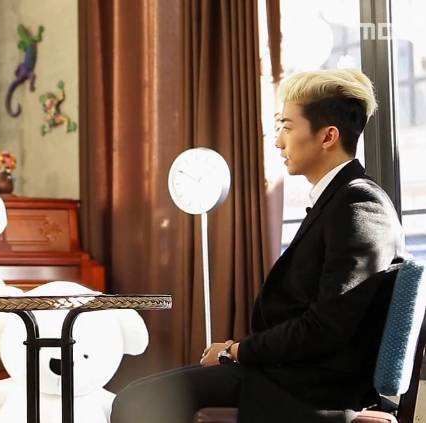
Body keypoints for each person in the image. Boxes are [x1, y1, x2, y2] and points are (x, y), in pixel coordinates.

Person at [111, 69, 407, 423]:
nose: (278, 141)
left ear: (328, 136)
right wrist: (237, 351)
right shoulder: (339, 200)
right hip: (289, 373)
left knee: (137, 400)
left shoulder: (359, 205)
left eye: (287, 127)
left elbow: (325, 328)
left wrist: (235, 351)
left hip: (311, 387)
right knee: (136, 394)